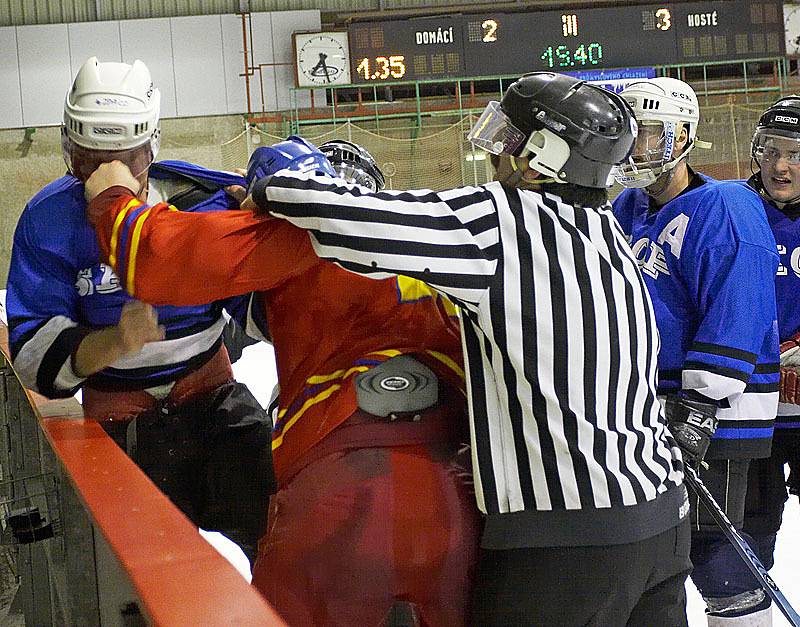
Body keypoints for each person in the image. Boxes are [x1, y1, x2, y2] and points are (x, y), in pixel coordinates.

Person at [85, 72, 694, 625]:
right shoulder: (611, 235)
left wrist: (125, 194)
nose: (497, 153)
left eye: (511, 139)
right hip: (659, 519)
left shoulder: (497, 222)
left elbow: (175, 256)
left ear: (542, 156)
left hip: (544, 533)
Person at [82, 137, 481, 626]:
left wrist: (112, 199)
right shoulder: (434, 226)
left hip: (342, 475)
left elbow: (159, 261)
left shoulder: (302, 235)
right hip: (463, 483)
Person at [5, 57, 274, 564]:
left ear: (152, 147)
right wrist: (114, 343)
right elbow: (32, 350)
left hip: (211, 395)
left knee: (280, 517)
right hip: (119, 418)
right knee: (139, 567)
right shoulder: (49, 220)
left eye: (125, 159)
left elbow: (255, 303)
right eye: (88, 160)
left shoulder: (199, 200)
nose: (107, 175)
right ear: (68, 149)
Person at [611, 77, 780, 626]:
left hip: (715, 412)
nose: (637, 146)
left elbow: (742, 303)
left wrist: (703, 403)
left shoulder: (726, 204)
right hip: (645, 410)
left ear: (684, 135)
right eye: (628, 132)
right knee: (657, 549)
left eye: (651, 133)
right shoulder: (624, 208)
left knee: (715, 554)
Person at [739, 96, 800, 625]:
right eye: (772, 151)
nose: (781, 166)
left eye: (796, 154)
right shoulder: (731, 210)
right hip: (748, 410)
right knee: (749, 535)